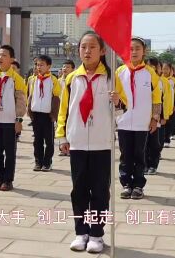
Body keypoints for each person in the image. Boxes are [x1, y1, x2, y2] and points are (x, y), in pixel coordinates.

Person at [57, 32, 117, 254]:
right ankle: (81, 232)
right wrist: (62, 136)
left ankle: (97, 234)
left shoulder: (111, 77)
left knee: (100, 191)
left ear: (102, 51)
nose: (87, 51)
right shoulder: (72, 78)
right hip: (78, 142)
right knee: (79, 190)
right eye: (83, 47)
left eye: (92, 47)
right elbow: (64, 109)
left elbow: (122, 112)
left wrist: (118, 102)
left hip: (102, 144)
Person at [115, 37, 161, 200]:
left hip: (143, 122)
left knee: (139, 154)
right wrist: (115, 117)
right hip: (124, 122)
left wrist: (155, 118)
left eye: (137, 49)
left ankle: (139, 185)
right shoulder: (119, 72)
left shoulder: (150, 73)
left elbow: (157, 97)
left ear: (144, 51)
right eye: (130, 49)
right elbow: (116, 98)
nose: (133, 52)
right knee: (125, 154)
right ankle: (126, 184)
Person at [0, 45, 27, 192]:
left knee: (10, 152)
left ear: (12, 59)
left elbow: (20, 102)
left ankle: (8, 180)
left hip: (9, 122)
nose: (0, 58)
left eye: (4, 55)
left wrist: (19, 120)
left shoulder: (17, 79)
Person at [28, 54, 61, 171]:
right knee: (37, 140)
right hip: (36, 114)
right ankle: (38, 162)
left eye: (42, 65)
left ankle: (47, 163)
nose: (39, 67)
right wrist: (30, 111)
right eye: (37, 65)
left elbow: (56, 98)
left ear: (49, 66)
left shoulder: (53, 80)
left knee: (49, 141)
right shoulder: (32, 79)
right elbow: (30, 96)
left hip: (48, 116)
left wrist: (54, 115)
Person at [146, 57, 172, 175]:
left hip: (157, 117)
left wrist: (164, 116)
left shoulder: (163, 82)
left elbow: (167, 100)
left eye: (154, 66)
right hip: (143, 117)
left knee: (155, 143)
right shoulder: (144, 78)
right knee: (144, 143)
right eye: (149, 66)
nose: (151, 68)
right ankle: (145, 165)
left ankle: (153, 165)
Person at [58, 60, 75, 157]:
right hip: (60, 108)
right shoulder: (59, 81)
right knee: (60, 127)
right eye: (64, 67)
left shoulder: (74, 79)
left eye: (68, 67)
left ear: (73, 69)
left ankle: (70, 148)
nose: (65, 69)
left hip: (70, 108)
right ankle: (62, 148)